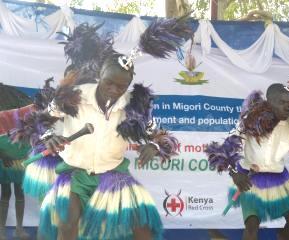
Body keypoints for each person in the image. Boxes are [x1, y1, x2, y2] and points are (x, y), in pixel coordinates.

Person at [33, 17, 191, 240]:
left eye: (121, 86)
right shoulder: (73, 96)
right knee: (67, 225)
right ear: (100, 75)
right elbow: (40, 120)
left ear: (129, 84)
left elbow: (165, 138)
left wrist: (155, 145)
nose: (114, 90)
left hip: (114, 174)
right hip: (75, 174)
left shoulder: (134, 108)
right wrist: (48, 136)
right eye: (109, 82)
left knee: (141, 228)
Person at [206, 83, 289, 240]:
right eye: (282, 102)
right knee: (252, 224)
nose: (287, 107)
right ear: (270, 102)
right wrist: (235, 174)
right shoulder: (250, 121)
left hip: (279, 178)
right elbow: (226, 149)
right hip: (250, 177)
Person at [0, 84, 34, 240]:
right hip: (4, 161)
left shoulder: (25, 118)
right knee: (5, 193)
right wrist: (2, 155)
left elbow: (32, 138)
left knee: (20, 193)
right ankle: (1, 229)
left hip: (20, 161)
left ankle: (19, 229)